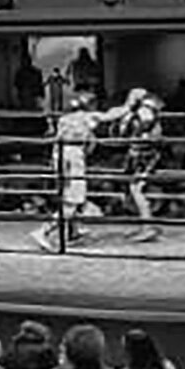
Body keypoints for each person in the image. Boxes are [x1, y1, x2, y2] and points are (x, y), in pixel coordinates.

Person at [32, 90, 103, 252]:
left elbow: (59, 141)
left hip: (60, 156)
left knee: (68, 195)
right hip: (73, 157)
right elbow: (107, 118)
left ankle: (73, 232)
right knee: (74, 199)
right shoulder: (88, 118)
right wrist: (129, 106)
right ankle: (43, 231)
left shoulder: (64, 119)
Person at [98, 86, 168, 240]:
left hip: (144, 154)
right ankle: (146, 224)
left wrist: (127, 121)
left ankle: (147, 227)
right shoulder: (143, 111)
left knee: (137, 189)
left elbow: (136, 131)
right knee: (134, 189)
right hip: (139, 153)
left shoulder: (145, 112)